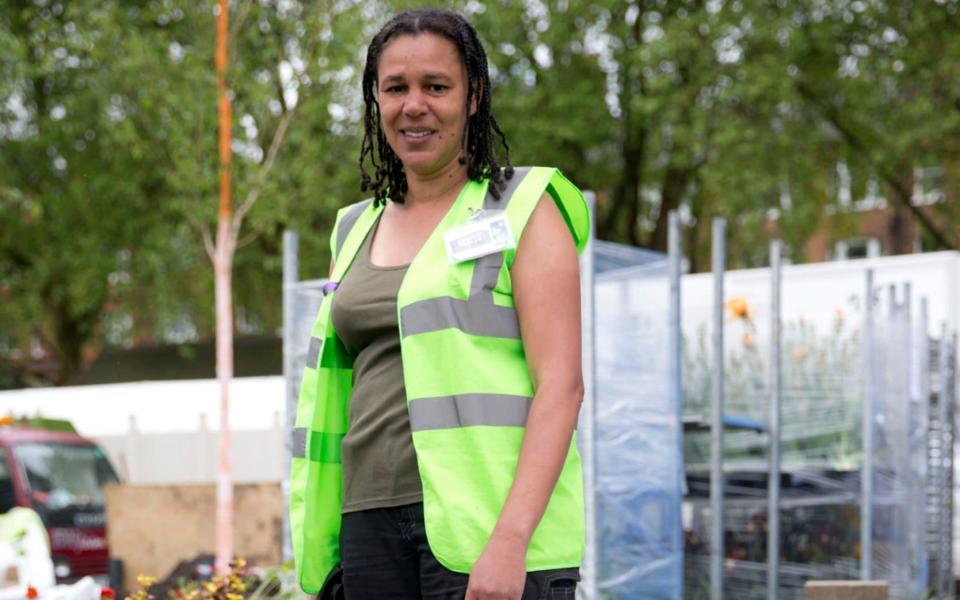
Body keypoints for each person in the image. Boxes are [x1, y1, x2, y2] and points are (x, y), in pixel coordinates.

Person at [288, 8, 589, 600]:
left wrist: (510, 542)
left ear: (472, 96)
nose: (414, 105)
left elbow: (562, 386)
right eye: (395, 88)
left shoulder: (522, 205)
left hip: (487, 529)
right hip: (368, 526)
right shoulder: (352, 229)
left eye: (436, 86)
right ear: (376, 101)